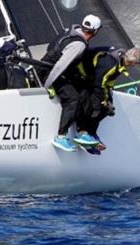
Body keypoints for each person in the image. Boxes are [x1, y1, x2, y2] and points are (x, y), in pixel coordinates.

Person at [41, 14, 103, 152]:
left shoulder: (70, 32)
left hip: (52, 71)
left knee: (85, 91)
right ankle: (61, 137)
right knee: (72, 98)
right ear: (96, 31)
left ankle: (83, 133)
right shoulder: (79, 45)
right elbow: (59, 66)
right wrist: (46, 85)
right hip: (49, 74)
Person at [81, 47, 140, 154]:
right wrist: (103, 101)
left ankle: (92, 133)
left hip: (96, 82)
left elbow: (108, 80)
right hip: (86, 78)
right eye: (132, 63)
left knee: (108, 109)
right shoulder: (111, 64)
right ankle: (85, 133)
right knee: (97, 108)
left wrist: (108, 95)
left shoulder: (121, 63)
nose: (132, 65)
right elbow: (98, 83)